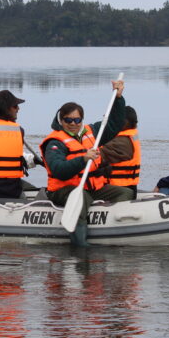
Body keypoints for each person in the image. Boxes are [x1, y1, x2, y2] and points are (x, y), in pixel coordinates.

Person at [40, 80, 133, 246]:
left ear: (82, 120)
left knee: (124, 193)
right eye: (69, 120)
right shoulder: (55, 143)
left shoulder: (93, 131)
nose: (73, 124)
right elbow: (58, 170)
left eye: (77, 120)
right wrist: (82, 159)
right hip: (63, 190)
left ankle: (114, 228)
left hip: (91, 187)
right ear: (61, 120)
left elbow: (115, 124)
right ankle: (80, 244)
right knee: (82, 197)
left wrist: (118, 98)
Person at [101, 105, 141, 199]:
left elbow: (98, 155)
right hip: (124, 187)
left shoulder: (122, 142)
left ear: (125, 122)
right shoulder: (128, 136)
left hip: (119, 190)